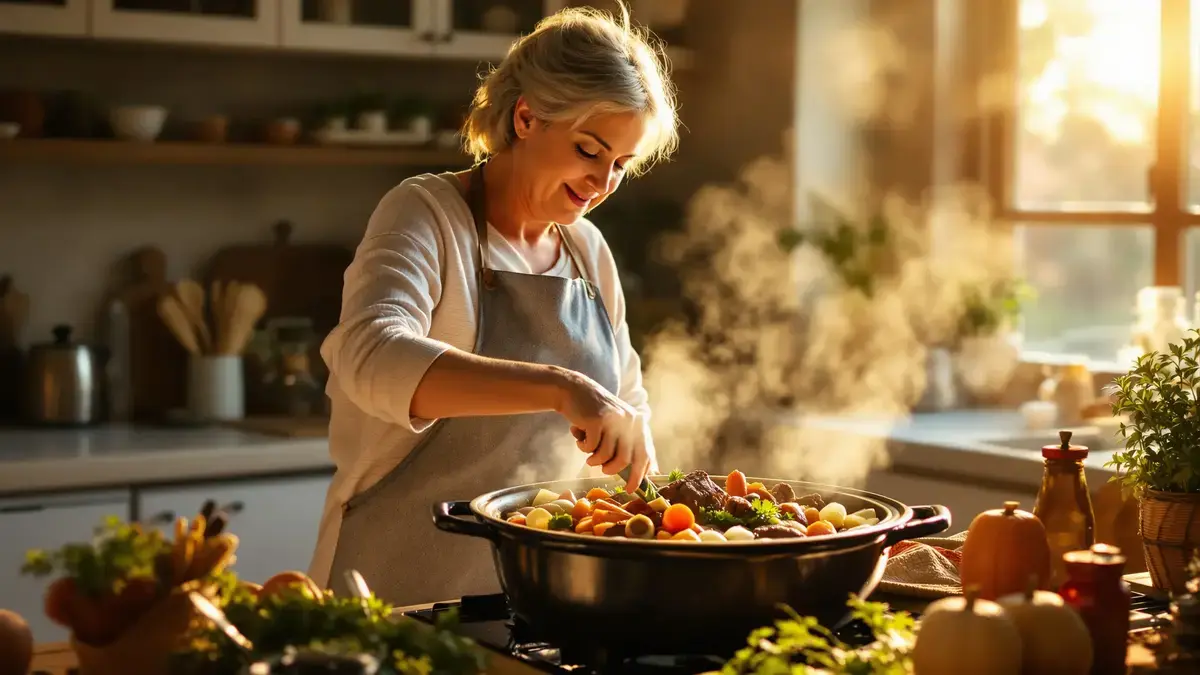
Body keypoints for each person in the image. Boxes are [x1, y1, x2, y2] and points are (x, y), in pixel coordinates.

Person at [309, 4, 681, 606]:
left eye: (621, 164)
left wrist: (662, 523)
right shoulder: (426, 212)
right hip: (397, 590)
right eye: (589, 150)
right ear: (527, 117)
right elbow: (370, 355)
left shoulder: (587, 250)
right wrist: (561, 386)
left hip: (541, 604)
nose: (603, 183)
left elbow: (627, 408)